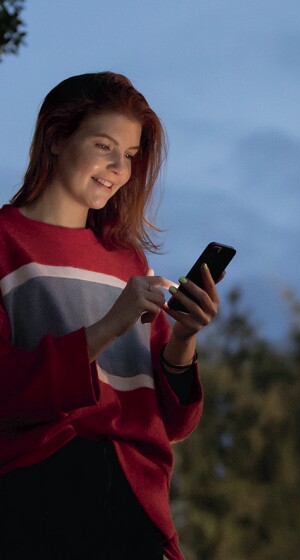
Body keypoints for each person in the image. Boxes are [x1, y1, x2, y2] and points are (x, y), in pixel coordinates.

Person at [0, 72, 218, 559]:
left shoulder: (129, 262)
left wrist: (183, 339)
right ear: (56, 138)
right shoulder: (5, 243)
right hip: (36, 495)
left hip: (134, 498)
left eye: (132, 155)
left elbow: (172, 421)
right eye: (104, 146)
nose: (118, 168)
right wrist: (106, 328)